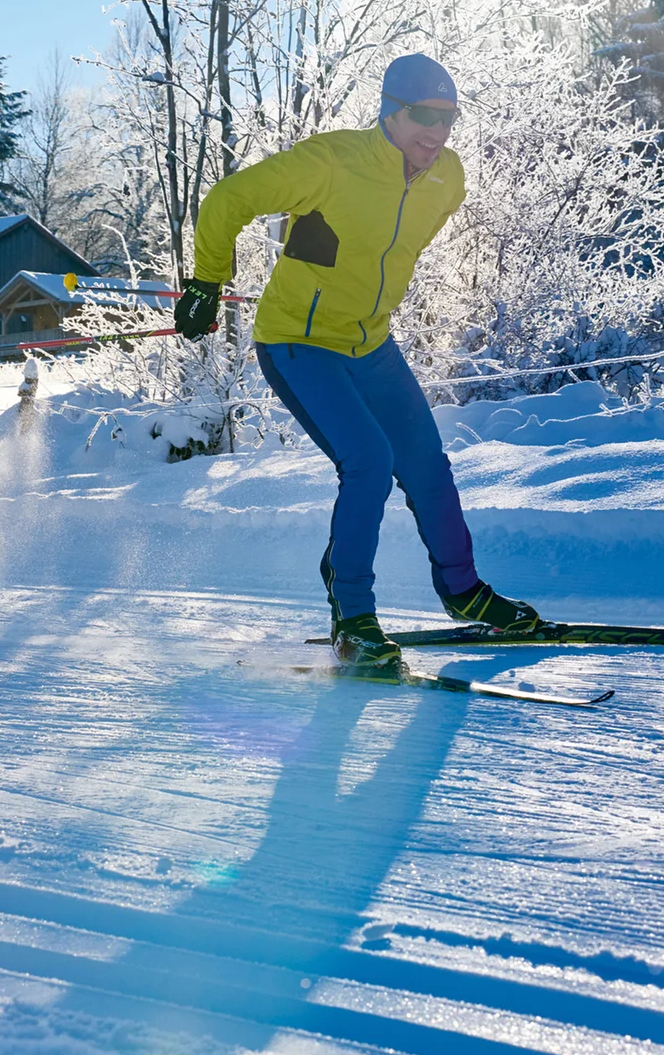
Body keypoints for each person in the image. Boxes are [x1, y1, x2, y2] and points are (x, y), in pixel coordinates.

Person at [173, 52, 542, 669]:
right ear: (390, 112)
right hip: (298, 341)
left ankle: (464, 591)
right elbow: (227, 200)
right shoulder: (332, 162)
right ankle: (355, 617)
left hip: (369, 341)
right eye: (425, 115)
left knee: (426, 461)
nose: (438, 131)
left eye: (450, 119)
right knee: (368, 460)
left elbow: (382, 244)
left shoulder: (446, 179)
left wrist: (326, 245)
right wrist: (208, 283)